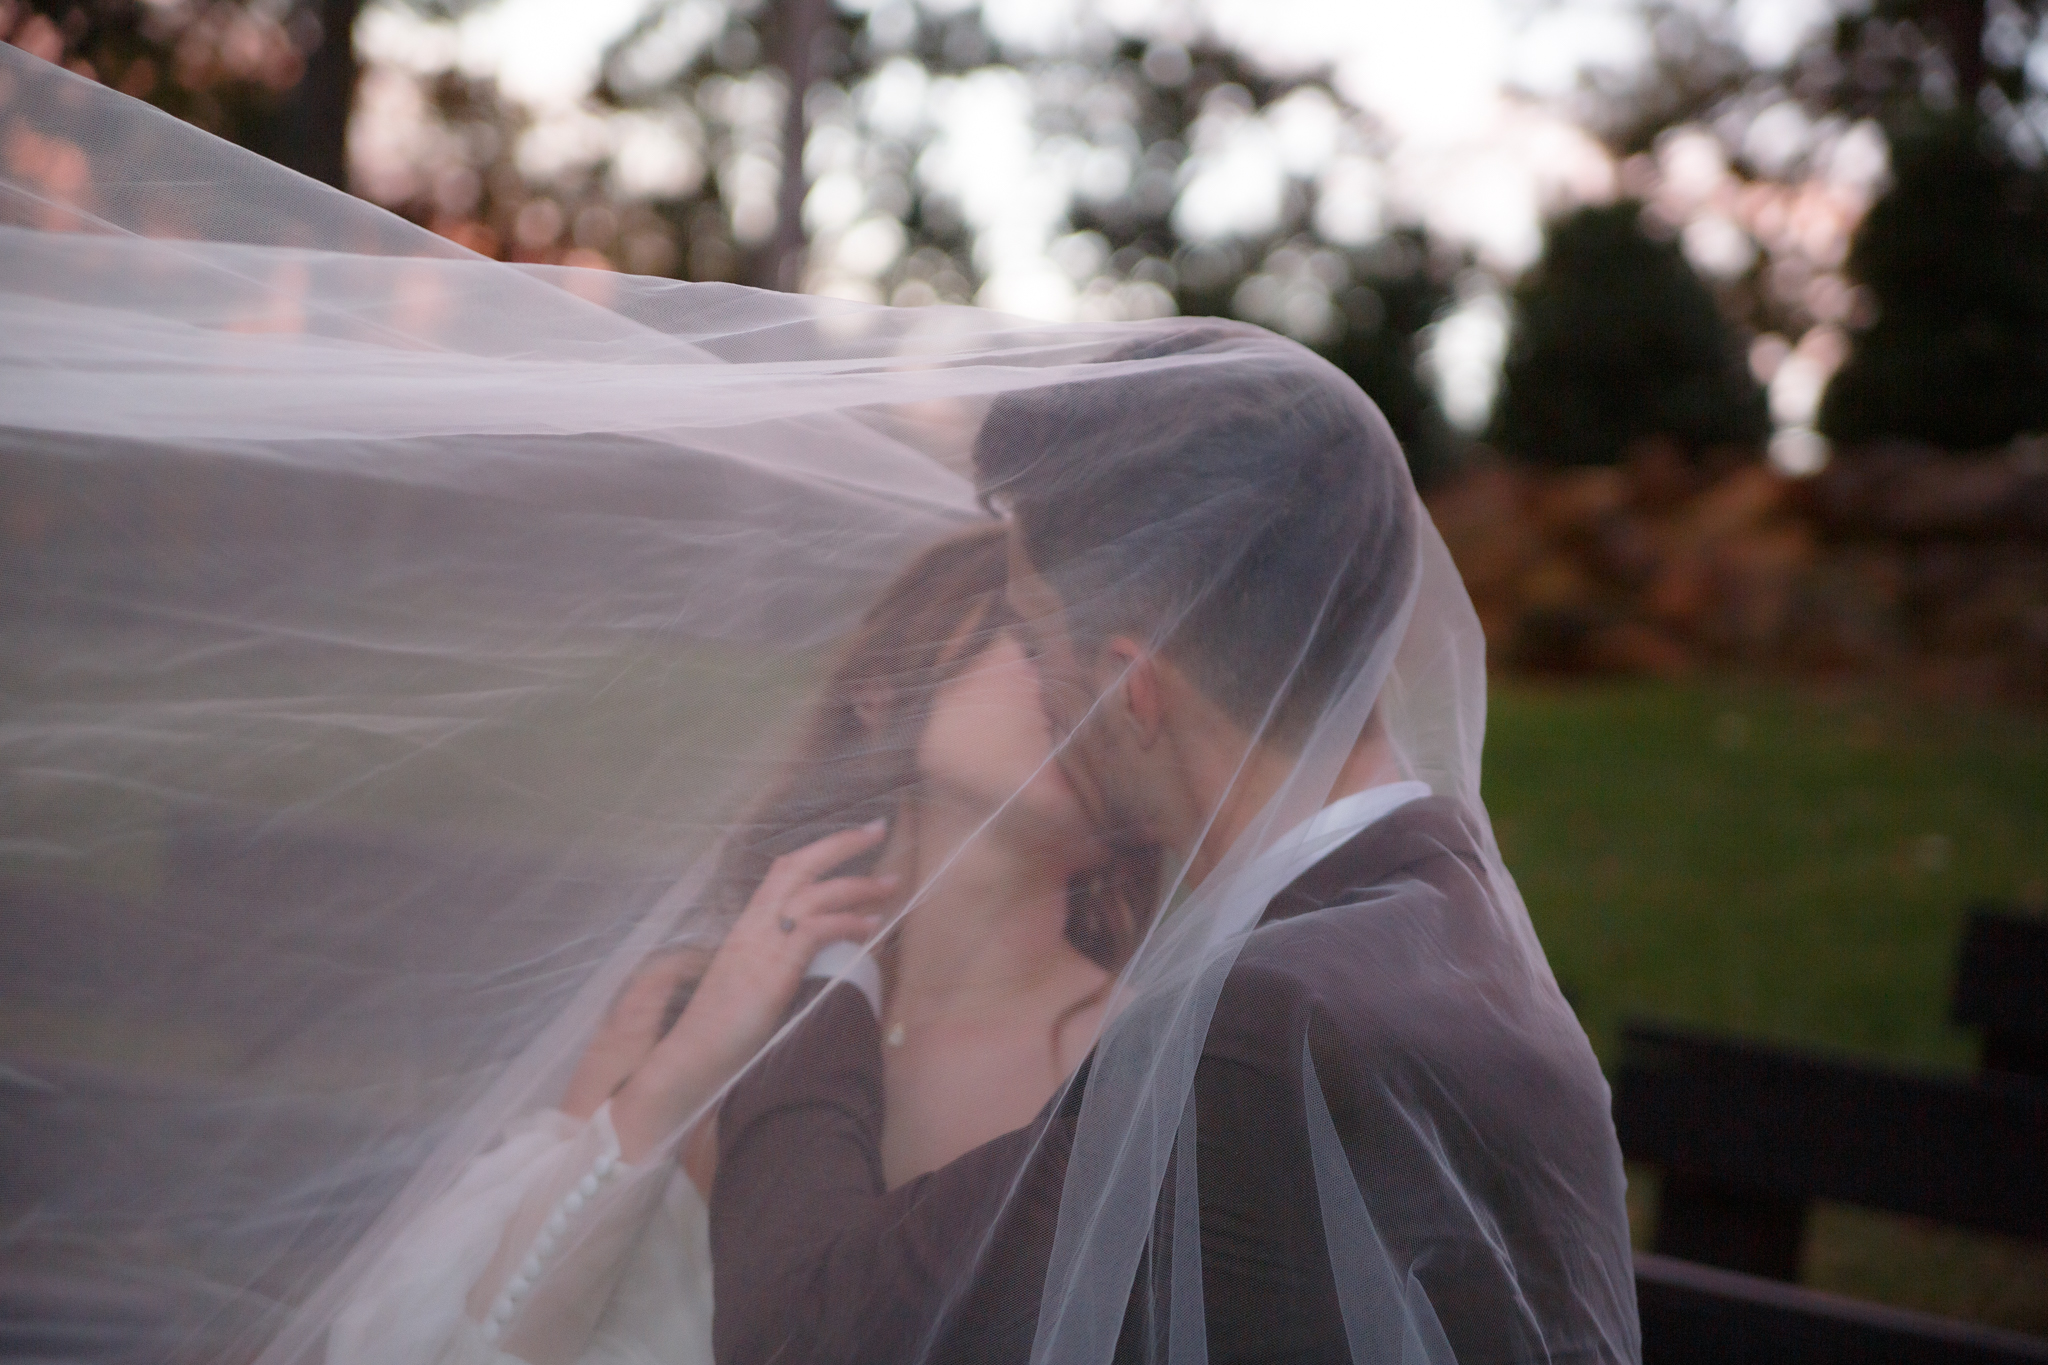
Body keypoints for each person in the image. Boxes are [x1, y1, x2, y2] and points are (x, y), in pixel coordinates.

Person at [709, 332, 1640, 1364]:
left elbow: (804, 1332)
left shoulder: (1256, 1030)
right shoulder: (1449, 920)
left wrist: (826, 978)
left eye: (1035, 640)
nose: (1042, 698)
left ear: (1128, 685)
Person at [325, 528, 1159, 1365]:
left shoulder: (1132, 1065)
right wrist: (686, 1066)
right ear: (882, 688)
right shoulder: (682, 1001)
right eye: (1035, 642)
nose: (1077, 686)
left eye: (1106, 662)